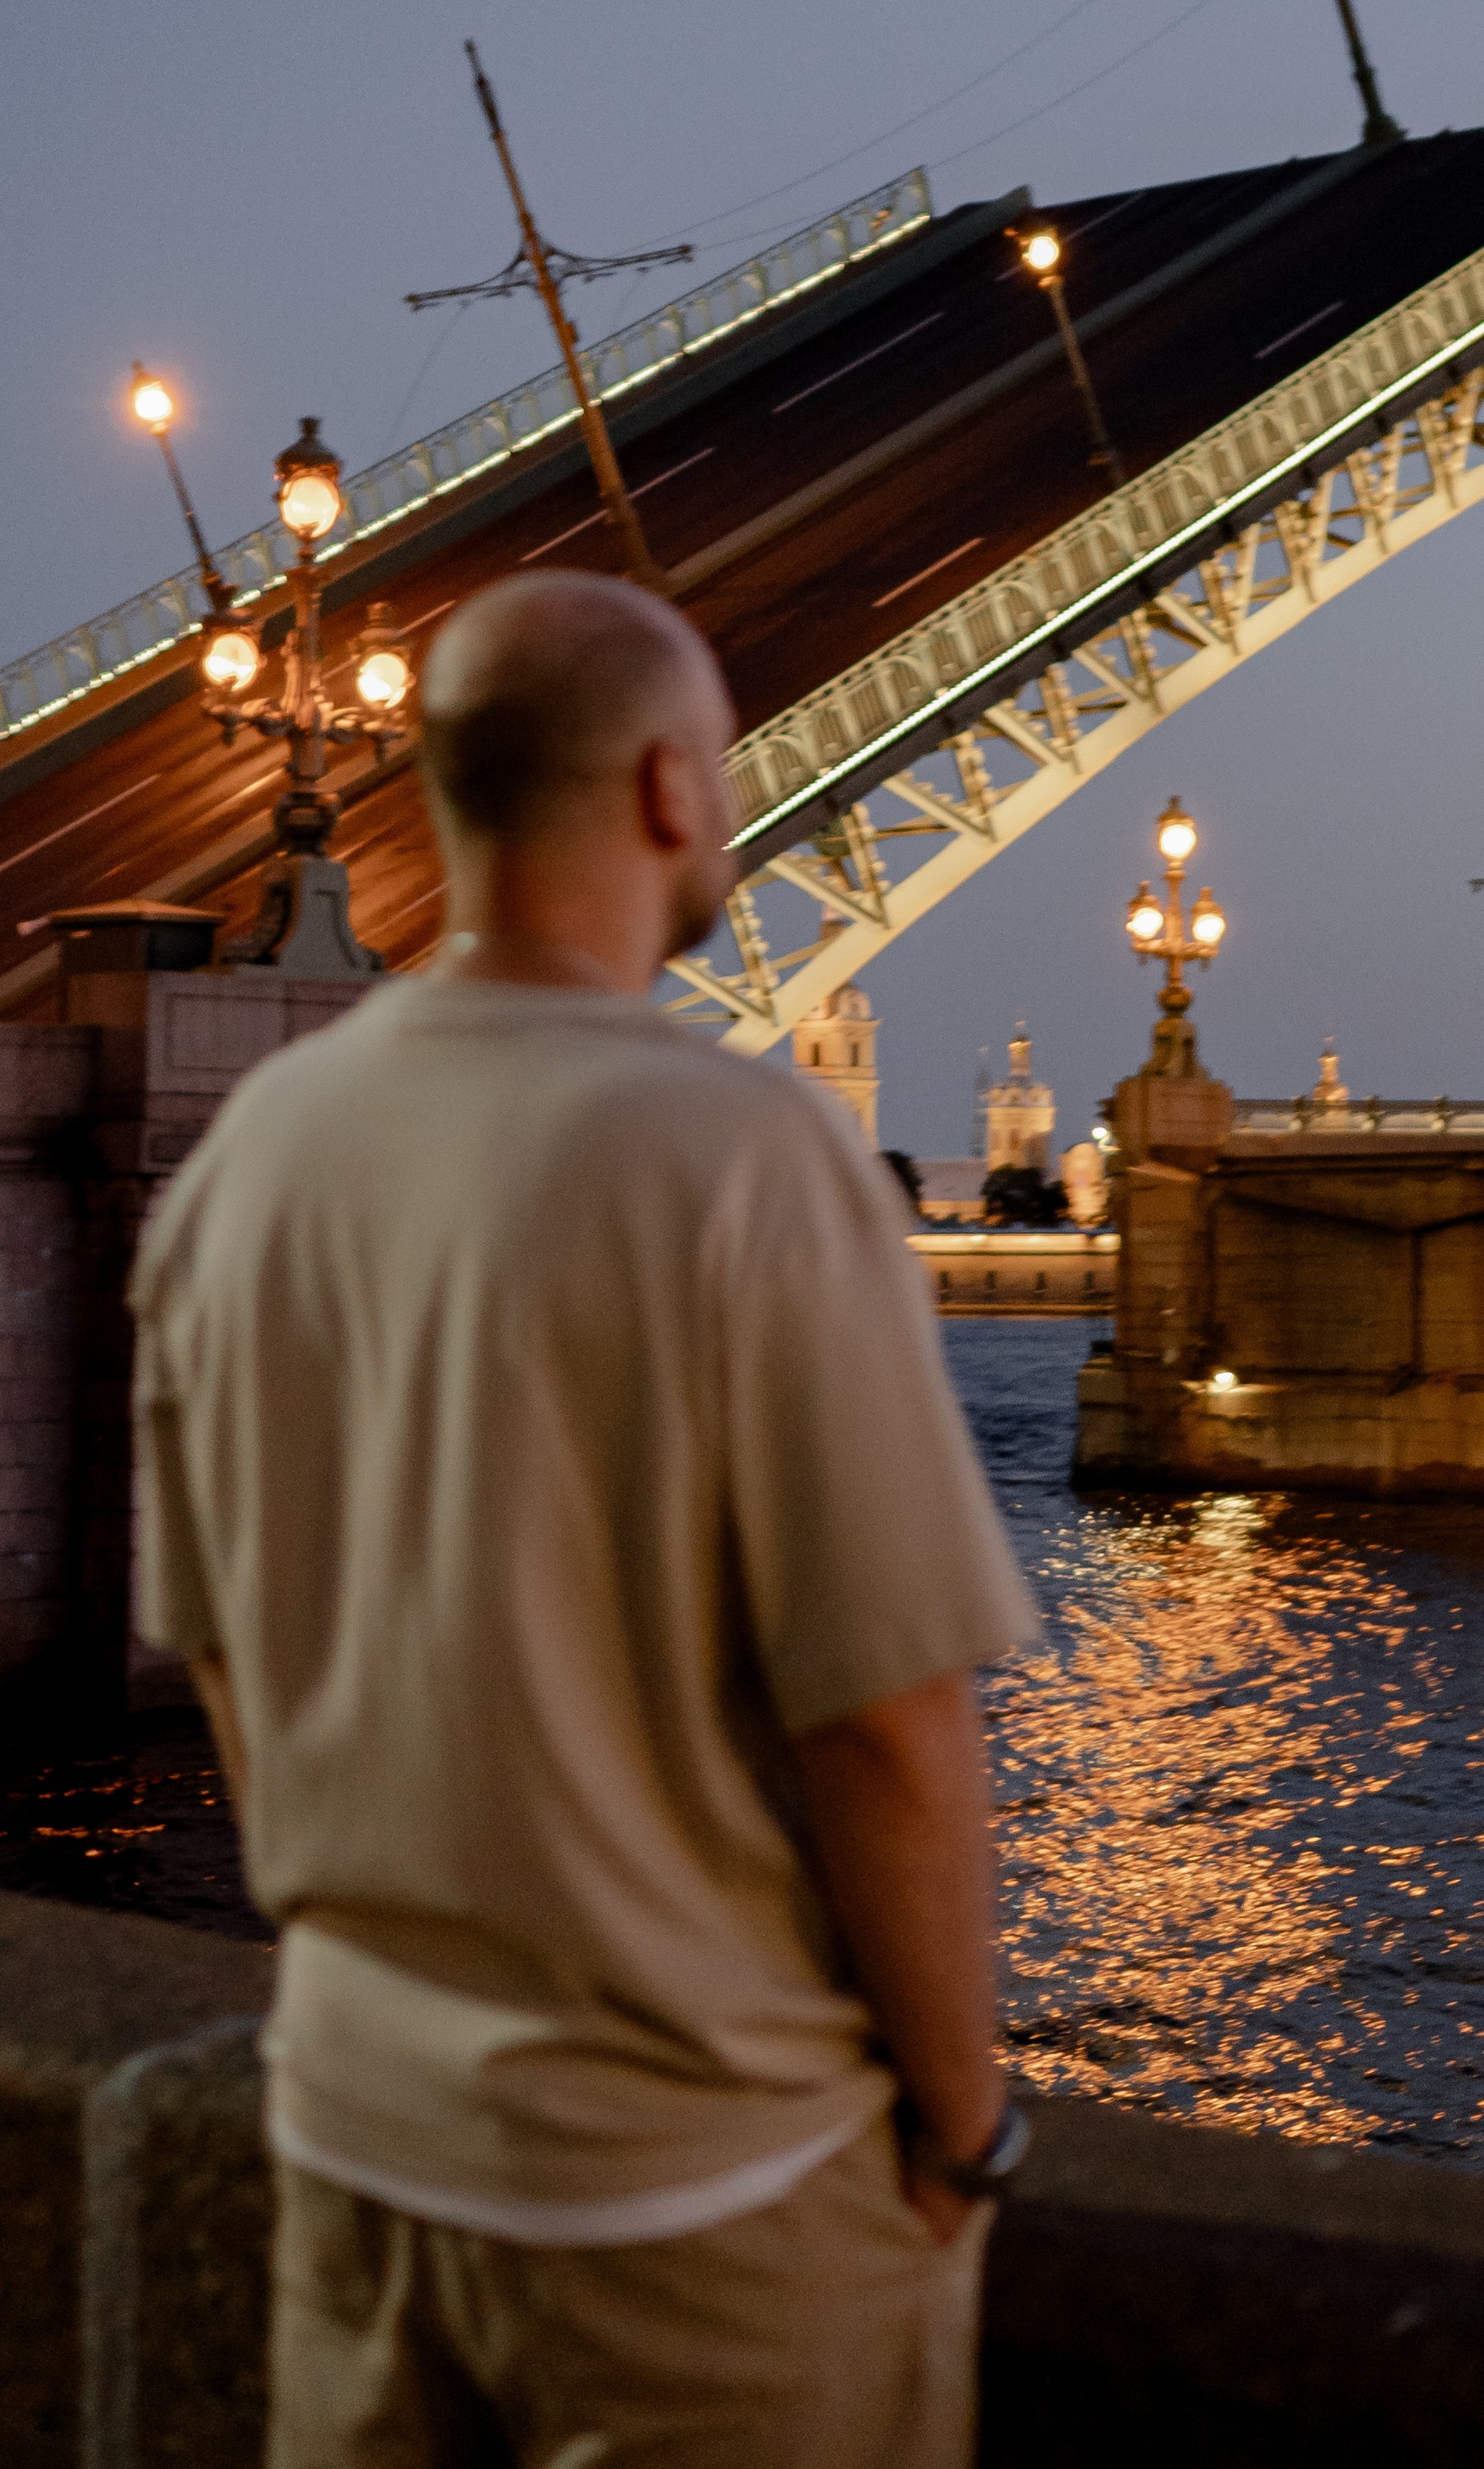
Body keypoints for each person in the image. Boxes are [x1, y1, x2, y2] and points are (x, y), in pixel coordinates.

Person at [133, 572, 1038, 2469]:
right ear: (657, 790)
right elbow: (886, 1722)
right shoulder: (743, 1155)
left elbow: (228, 1668)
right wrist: (961, 2128)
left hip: (355, 2153)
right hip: (694, 2201)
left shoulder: (246, 1168)